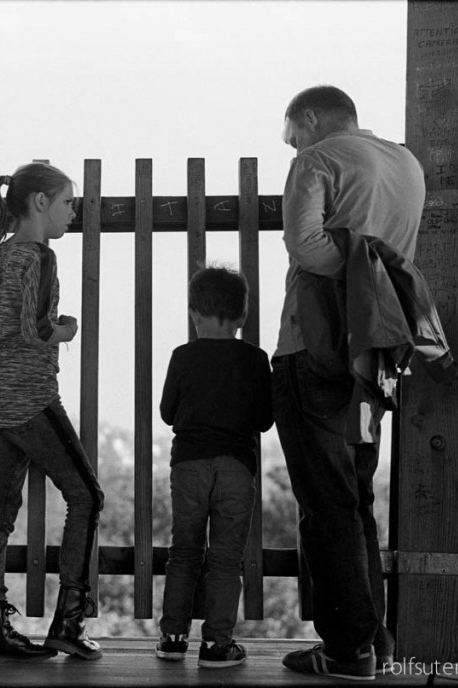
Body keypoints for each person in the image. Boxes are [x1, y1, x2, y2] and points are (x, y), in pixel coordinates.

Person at [273, 85, 426, 681]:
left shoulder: (318, 161)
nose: (291, 151)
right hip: (372, 358)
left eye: (291, 137)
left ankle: (345, 650)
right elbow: (395, 252)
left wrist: (351, 260)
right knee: (356, 497)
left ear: (310, 120)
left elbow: (306, 247)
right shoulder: (406, 162)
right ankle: (373, 642)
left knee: (325, 502)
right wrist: (370, 264)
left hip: (312, 351)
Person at [0, 162, 105, 663]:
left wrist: (19, 314)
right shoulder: (40, 258)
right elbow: (29, 327)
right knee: (87, 496)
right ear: (40, 203)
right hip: (30, 397)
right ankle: (69, 621)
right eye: (68, 203)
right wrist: (60, 331)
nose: (73, 213)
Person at [154, 266, 273, 668]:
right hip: (237, 466)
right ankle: (218, 646)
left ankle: (172, 638)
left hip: (189, 464)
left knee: (184, 551)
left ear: (194, 313)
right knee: (225, 557)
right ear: (242, 317)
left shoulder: (182, 357)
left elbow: (168, 413)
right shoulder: (255, 359)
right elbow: (264, 419)